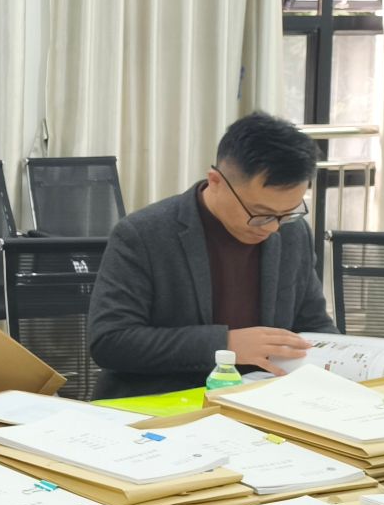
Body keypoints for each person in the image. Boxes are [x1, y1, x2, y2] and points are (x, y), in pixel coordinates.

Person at [87, 111, 336, 394]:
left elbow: (313, 324)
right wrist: (225, 345)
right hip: (163, 399)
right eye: (261, 213)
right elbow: (110, 341)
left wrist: (345, 357)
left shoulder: (293, 232)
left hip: (262, 397)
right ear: (216, 181)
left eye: (288, 212)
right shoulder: (143, 234)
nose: (273, 228)